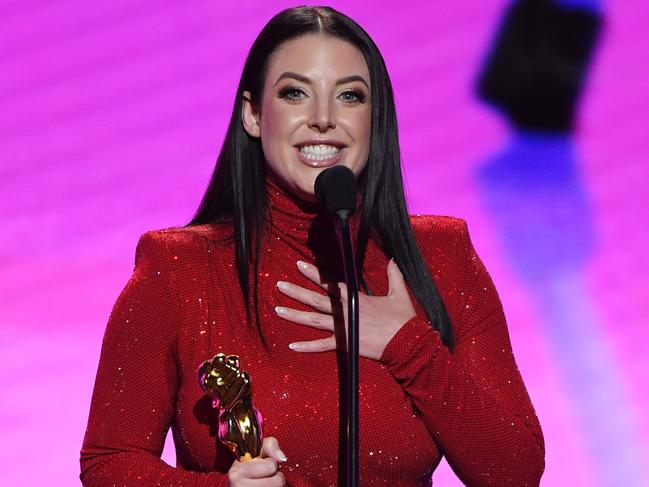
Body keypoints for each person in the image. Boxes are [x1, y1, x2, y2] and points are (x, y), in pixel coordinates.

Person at [80, 6, 545, 486]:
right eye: (295, 93)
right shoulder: (179, 268)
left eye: (349, 96)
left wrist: (408, 346)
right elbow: (109, 462)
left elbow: (516, 472)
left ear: (374, 119)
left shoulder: (441, 258)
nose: (323, 119)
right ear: (254, 114)